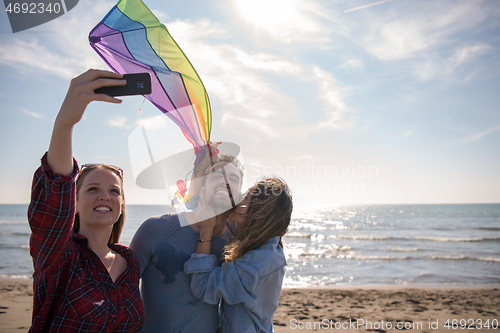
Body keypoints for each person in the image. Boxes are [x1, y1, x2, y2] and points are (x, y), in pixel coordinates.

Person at [28, 69, 144, 332]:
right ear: (74, 202)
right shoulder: (58, 255)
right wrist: (65, 122)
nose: (105, 195)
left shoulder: (130, 264)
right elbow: (56, 189)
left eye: (115, 191)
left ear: (122, 204)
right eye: (93, 189)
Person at [130, 152, 244, 333]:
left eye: (233, 178)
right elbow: (122, 290)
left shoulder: (235, 245)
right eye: (216, 175)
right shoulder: (155, 229)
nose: (225, 181)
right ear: (201, 189)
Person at [184, 176, 293, 333]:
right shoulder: (264, 242)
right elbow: (218, 213)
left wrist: (206, 230)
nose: (239, 197)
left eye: (246, 197)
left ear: (260, 214)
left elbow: (203, 286)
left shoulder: (256, 263)